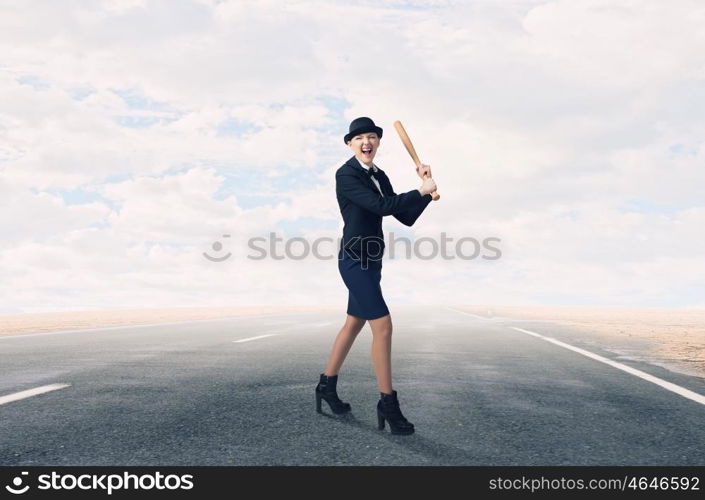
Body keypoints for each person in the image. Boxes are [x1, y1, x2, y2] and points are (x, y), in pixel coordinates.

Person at [315, 117, 437, 435]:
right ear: (350, 144)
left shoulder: (379, 175)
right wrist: (420, 190)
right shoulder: (347, 175)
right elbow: (381, 207)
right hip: (354, 260)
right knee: (383, 326)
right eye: (360, 138)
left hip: (373, 261)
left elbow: (404, 216)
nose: (366, 142)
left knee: (353, 323)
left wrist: (426, 189)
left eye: (372, 137)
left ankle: (325, 387)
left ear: (378, 143)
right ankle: (388, 404)